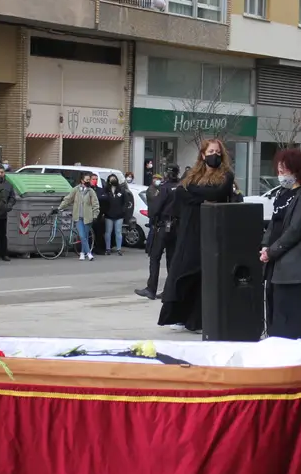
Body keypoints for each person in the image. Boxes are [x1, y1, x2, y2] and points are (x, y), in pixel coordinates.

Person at [158, 139, 240, 332]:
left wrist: (194, 193)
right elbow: (180, 193)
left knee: (203, 273)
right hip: (189, 229)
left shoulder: (226, 175)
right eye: (211, 151)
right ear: (203, 154)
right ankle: (180, 315)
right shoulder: (192, 174)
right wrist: (204, 194)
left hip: (211, 229)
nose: (215, 155)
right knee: (182, 271)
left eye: (218, 152)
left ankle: (199, 319)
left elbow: (219, 192)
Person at [261, 149, 301, 346]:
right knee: (277, 316)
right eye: (279, 170)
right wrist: (265, 247)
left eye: (285, 170)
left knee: (296, 318)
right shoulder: (282, 194)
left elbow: (296, 230)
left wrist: (272, 251)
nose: (281, 175)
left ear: (296, 171)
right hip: (276, 266)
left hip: (295, 268)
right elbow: (274, 225)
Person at [136, 166, 180, 299]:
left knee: (155, 257)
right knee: (171, 259)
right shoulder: (180, 187)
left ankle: (151, 289)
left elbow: (156, 207)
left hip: (162, 226)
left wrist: (153, 218)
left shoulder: (164, 188)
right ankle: (170, 290)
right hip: (176, 226)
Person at [58, 172, 100, 261]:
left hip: (88, 217)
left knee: (84, 236)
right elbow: (68, 199)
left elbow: (95, 204)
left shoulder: (91, 191)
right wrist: (59, 208)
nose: (89, 181)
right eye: (87, 180)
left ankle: (82, 253)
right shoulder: (76, 190)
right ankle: (89, 253)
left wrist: (95, 215)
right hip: (78, 217)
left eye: (89, 180)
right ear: (82, 180)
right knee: (81, 235)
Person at [100, 174, 128, 256]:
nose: (113, 180)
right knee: (108, 232)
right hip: (109, 214)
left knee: (118, 231)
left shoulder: (121, 190)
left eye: (114, 179)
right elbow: (103, 201)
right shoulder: (106, 190)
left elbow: (125, 201)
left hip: (119, 215)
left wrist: (123, 211)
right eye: (111, 179)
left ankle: (119, 249)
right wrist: (105, 211)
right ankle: (107, 248)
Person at [0, 165, 15, 262]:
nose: (0, 174)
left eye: (2, 172)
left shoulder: (8, 185)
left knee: (3, 235)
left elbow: (12, 197)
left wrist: (9, 205)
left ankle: (4, 254)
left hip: (2, 215)